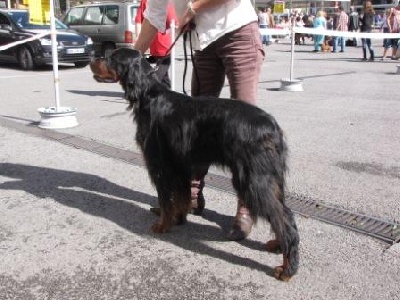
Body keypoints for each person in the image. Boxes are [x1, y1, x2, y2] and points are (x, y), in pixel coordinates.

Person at [133, 0, 265, 241]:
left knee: (243, 128)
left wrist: (193, 8)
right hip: (203, 43)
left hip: (238, 32)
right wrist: (132, 58)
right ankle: (191, 197)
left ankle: (246, 207)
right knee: (193, 127)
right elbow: (154, 15)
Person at [134, 0, 176, 88]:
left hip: (165, 47)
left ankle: (146, 91)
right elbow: (138, 20)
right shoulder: (145, 1)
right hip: (158, 45)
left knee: (158, 76)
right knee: (163, 76)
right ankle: (167, 92)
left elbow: (139, 21)